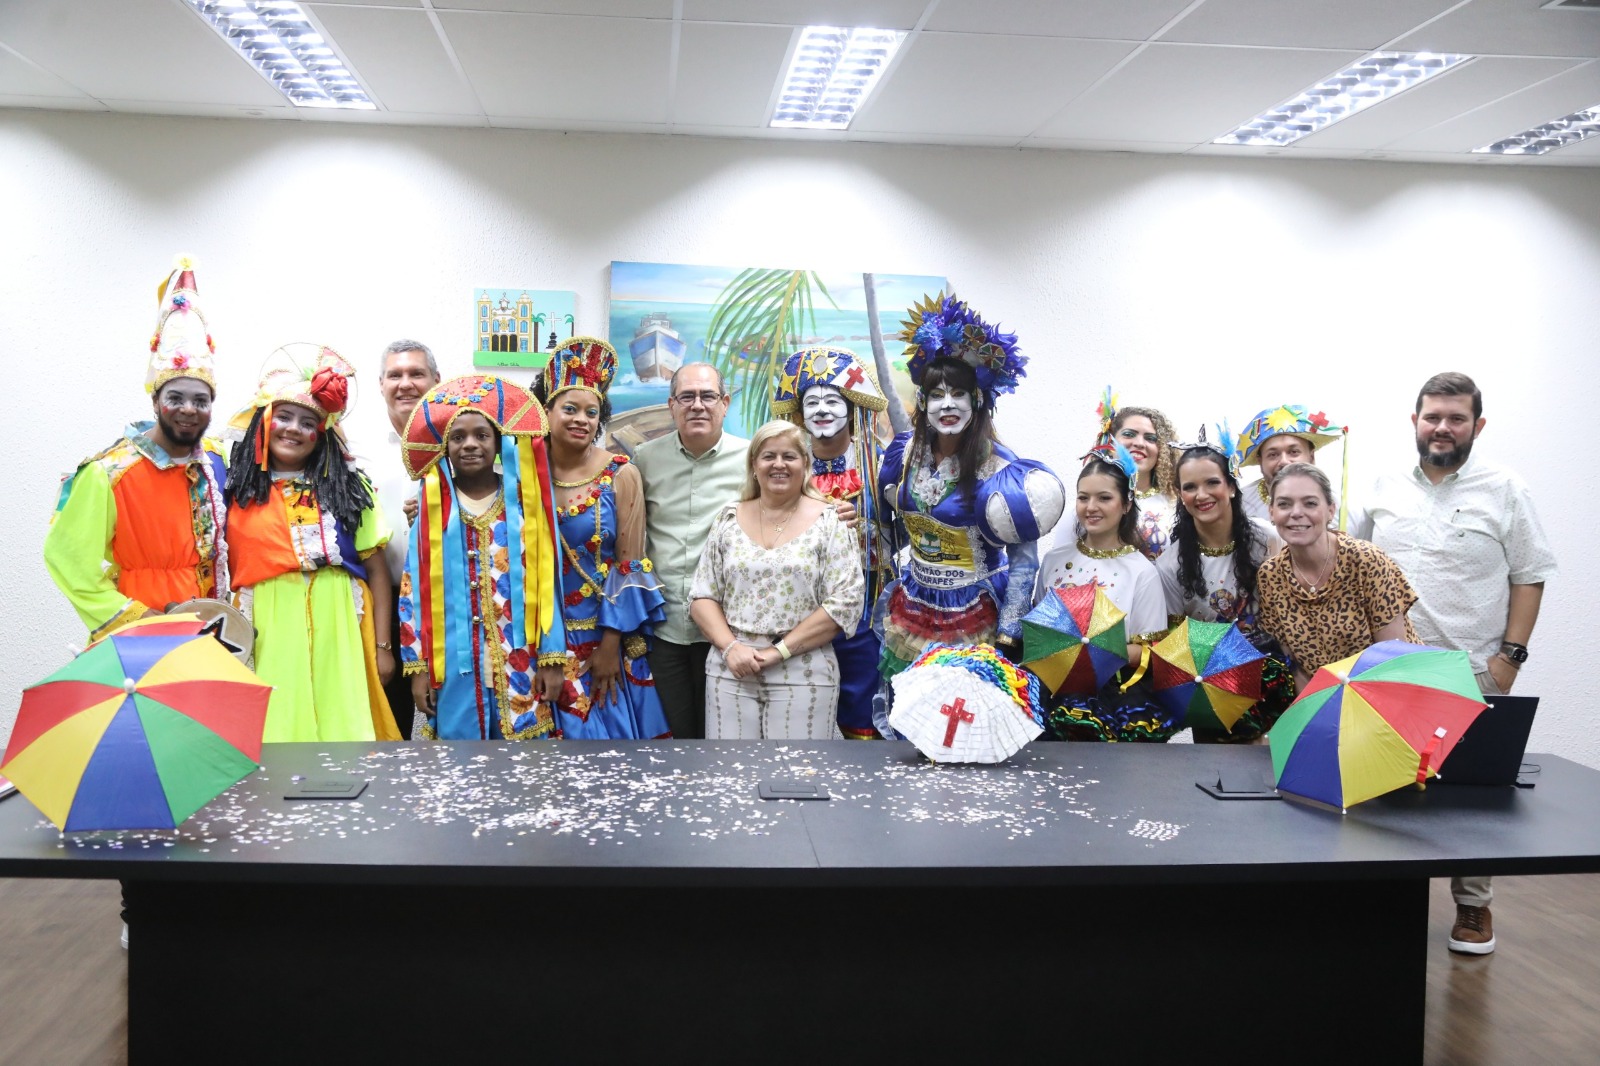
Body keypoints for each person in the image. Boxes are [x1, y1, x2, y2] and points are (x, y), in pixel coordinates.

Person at [1357, 372, 1557, 957]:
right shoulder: (1383, 485)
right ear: (1415, 420)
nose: (1442, 427)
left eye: (1456, 418)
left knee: (1473, 793)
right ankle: (1384, 902)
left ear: (1477, 425)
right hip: (1392, 667)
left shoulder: (1507, 489)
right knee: (1385, 787)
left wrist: (1508, 661)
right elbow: (1354, 561)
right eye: (1433, 417)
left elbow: (1529, 576)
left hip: (1472, 668)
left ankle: (1473, 905)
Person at [877, 293, 1064, 688]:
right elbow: (888, 526)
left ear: (977, 399)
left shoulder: (1001, 468)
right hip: (914, 604)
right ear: (923, 402)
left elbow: (1023, 561)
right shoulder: (902, 453)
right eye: (937, 395)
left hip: (976, 611)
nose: (948, 405)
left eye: (958, 393)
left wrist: (1010, 631)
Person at [46, 255, 230, 640]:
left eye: (200, 400)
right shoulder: (109, 473)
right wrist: (140, 618)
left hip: (216, 633)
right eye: (175, 397)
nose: (188, 409)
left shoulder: (216, 460)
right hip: (144, 632)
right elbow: (67, 560)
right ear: (155, 401)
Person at [224, 344, 397, 743]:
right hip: (269, 623)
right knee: (280, 725)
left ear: (321, 436)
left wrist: (383, 647)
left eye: (308, 423)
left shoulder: (349, 489)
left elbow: (376, 570)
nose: (293, 429)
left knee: (345, 724)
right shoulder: (234, 490)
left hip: (340, 619)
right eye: (284, 417)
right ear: (264, 422)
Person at [399, 374, 568, 740]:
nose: (470, 444)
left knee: (522, 764)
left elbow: (546, 584)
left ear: (499, 442)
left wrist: (552, 657)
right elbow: (413, 592)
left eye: (481, 435)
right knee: (460, 760)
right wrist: (419, 668)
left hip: (520, 660)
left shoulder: (524, 503)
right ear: (444, 447)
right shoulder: (433, 508)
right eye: (458, 437)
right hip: (453, 666)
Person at [689, 420, 864, 739]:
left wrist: (778, 652)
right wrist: (731, 648)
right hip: (731, 669)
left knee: (798, 768)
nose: (779, 464)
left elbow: (845, 602)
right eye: (769, 456)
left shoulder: (831, 522)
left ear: (805, 464)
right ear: (754, 466)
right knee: (731, 767)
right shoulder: (728, 518)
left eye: (789, 456)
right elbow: (702, 596)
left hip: (803, 670)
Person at [533, 337, 671, 740]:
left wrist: (610, 646)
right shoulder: (523, 473)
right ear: (546, 411)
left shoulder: (621, 474)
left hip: (603, 638)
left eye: (592, 412)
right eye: (570, 409)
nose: (582, 420)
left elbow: (630, 565)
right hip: (538, 639)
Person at [771, 345, 892, 739]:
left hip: (865, 612)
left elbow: (906, 535)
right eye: (812, 402)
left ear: (851, 407)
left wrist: (866, 527)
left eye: (832, 401)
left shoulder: (878, 463)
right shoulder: (785, 465)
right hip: (798, 608)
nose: (822, 410)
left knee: (861, 710)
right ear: (799, 413)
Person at [632, 362, 749, 739]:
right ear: (672, 405)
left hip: (729, 630)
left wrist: (833, 509)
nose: (697, 405)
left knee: (722, 740)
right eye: (687, 397)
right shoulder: (644, 459)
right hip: (664, 628)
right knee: (673, 738)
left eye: (708, 396)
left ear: (725, 403)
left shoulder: (752, 459)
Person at [1156, 427, 1294, 742]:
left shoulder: (1268, 539)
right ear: (1181, 495)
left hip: (1278, 684)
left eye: (1212, 482)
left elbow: (1290, 613)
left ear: (1231, 486)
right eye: (1190, 487)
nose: (1201, 495)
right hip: (1215, 697)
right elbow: (1176, 645)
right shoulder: (1169, 565)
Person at [1036, 445, 1171, 741]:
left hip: (1111, 698)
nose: (1091, 507)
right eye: (1083, 497)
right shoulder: (1053, 561)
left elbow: (1151, 652)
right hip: (1049, 689)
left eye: (1104, 498)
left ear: (1126, 504)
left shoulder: (1142, 572)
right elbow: (1037, 631)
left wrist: (1095, 648)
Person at [1255, 463, 1418, 693]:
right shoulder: (1270, 576)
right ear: (1271, 512)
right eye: (1284, 504)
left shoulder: (1366, 560)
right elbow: (1294, 666)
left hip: (1391, 690)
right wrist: (1315, 708)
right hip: (1325, 699)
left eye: (1310, 503)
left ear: (1331, 510)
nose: (1296, 512)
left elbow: (1393, 657)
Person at [364, 339, 442, 738]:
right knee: (388, 726)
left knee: (448, 717)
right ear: (381, 384)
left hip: (444, 605)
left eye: (416, 374)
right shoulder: (360, 453)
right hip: (382, 606)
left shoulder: (460, 444)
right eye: (395, 375)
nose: (405, 383)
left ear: (436, 380)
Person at [1235, 403, 1355, 530]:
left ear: (1311, 457)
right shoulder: (1238, 506)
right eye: (1273, 455)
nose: (1284, 461)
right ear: (1260, 461)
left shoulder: (1345, 509)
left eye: (1294, 452)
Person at [1090, 389, 1177, 559]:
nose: (1139, 443)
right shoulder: (1088, 504)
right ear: (1110, 441)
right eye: (1129, 434)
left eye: (1151, 438)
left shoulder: (1177, 505)